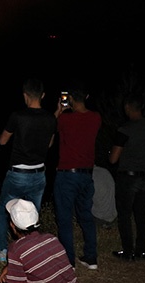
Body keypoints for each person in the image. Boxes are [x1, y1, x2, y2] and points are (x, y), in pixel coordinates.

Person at [0, 77, 58, 263]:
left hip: (18, 173)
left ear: (25, 95)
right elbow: (49, 144)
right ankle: (32, 251)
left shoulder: (18, 116)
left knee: (4, 210)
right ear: (43, 95)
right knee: (32, 214)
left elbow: (2, 141)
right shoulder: (51, 118)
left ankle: (2, 251)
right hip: (39, 174)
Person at [52, 80, 102, 269]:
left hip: (67, 174)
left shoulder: (65, 119)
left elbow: (52, 127)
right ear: (87, 97)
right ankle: (91, 258)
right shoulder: (96, 118)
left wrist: (59, 110)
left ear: (70, 99)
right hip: (86, 175)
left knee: (64, 218)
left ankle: (69, 261)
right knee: (86, 216)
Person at [109, 93, 145, 261]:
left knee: (124, 215)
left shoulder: (125, 129)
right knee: (141, 215)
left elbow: (113, 158)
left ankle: (128, 251)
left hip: (128, 177)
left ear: (128, 108)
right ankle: (141, 250)